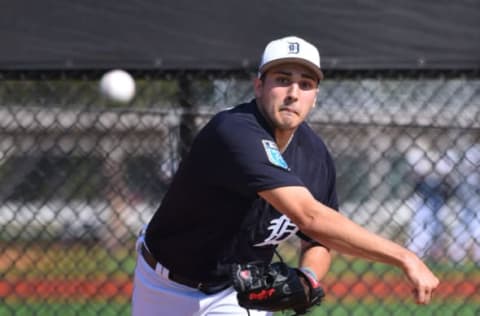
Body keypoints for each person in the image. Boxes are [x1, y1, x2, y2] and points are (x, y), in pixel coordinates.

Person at [131, 36, 439, 316]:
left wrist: (308, 277)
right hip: (164, 284)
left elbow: (317, 240)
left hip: (233, 296)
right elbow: (309, 216)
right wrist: (404, 256)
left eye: (306, 84)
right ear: (259, 86)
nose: (293, 93)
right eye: (282, 80)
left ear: (315, 97)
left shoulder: (315, 156)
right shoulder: (235, 131)